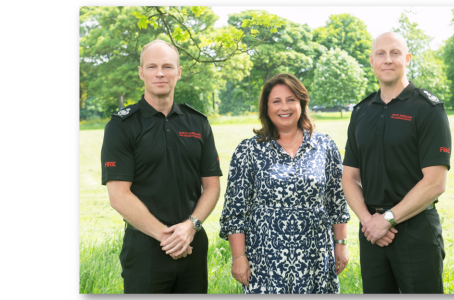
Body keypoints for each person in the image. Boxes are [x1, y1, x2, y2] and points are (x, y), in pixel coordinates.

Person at [100, 39, 222, 293]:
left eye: (167, 66)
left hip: (193, 245)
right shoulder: (121, 126)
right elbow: (119, 195)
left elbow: (211, 186)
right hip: (145, 249)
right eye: (152, 66)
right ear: (141, 72)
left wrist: (191, 227)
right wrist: (169, 239)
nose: (159, 73)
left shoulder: (198, 123)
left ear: (178, 72)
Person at [219, 73, 350, 294]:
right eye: (276, 101)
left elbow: (337, 201)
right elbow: (235, 211)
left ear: (301, 103)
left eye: (291, 100)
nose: (284, 107)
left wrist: (341, 244)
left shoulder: (325, 146)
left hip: (316, 254)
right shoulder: (248, 150)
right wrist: (238, 257)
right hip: (265, 258)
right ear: (266, 107)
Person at [342, 32, 452, 293]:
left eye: (395, 53)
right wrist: (370, 222)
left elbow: (435, 182)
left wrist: (387, 220)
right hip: (371, 232)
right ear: (371, 61)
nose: (387, 59)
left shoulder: (428, 109)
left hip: (416, 230)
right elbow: (349, 177)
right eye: (380, 53)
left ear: (408, 59)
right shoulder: (361, 111)